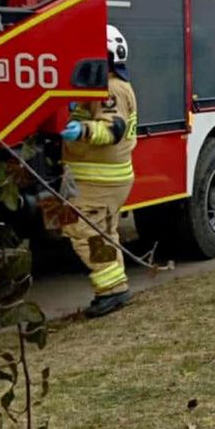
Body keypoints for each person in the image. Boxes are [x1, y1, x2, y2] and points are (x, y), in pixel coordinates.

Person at [60, 24, 138, 317]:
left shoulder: (113, 88)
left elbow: (113, 129)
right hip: (101, 178)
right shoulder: (105, 86)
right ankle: (113, 288)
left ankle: (113, 291)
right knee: (104, 233)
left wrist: (82, 130)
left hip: (99, 180)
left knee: (84, 232)